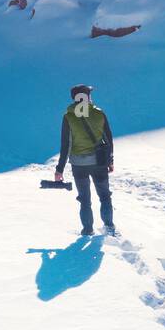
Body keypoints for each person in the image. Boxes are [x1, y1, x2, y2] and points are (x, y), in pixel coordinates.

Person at [54, 84, 115, 236]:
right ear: (87, 97)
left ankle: (87, 230)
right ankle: (109, 227)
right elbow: (108, 139)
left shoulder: (68, 117)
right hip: (99, 162)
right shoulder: (99, 114)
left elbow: (66, 144)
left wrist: (59, 169)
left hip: (79, 165)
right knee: (105, 196)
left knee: (85, 200)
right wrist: (110, 160)